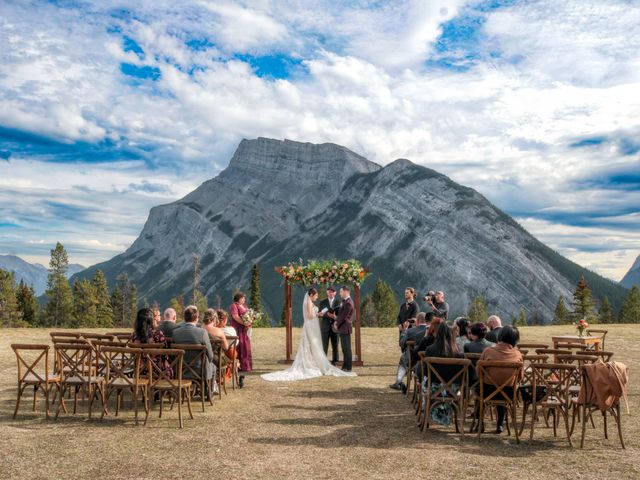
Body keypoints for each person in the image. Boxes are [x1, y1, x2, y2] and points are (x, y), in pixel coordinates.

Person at [262, 288, 357, 381]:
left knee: (313, 345)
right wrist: (318, 314)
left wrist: (324, 315)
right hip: (310, 326)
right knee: (310, 345)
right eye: (316, 295)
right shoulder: (308, 303)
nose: (316, 297)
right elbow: (310, 316)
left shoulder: (312, 302)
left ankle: (313, 362)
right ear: (311, 295)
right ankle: (309, 363)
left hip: (314, 326)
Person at [477, 325, 523, 434]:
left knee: (481, 388)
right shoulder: (517, 354)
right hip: (509, 393)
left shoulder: (488, 351)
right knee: (502, 386)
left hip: (487, 392)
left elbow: (479, 373)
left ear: (500, 336)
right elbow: (520, 378)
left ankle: (480, 423)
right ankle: (500, 424)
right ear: (515, 339)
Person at [420, 322, 464, 426]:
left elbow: (426, 372)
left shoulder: (430, 350)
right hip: (452, 391)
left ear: (437, 334)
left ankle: (428, 413)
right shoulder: (459, 354)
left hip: (434, 388)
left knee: (424, 384)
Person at [172, 306, 216, 393]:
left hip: (181, 369)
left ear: (184, 318)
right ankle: (208, 392)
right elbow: (210, 356)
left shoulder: (175, 332)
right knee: (213, 367)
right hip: (199, 369)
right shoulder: (202, 332)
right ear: (196, 318)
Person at [390, 312, 427, 392]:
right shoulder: (429, 330)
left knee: (402, 360)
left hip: (412, 358)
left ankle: (398, 382)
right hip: (426, 359)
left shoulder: (410, 331)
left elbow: (401, 343)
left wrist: (405, 330)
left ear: (418, 320)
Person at [129, 307, 172, 377]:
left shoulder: (134, 336)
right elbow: (165, 352)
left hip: (140, 372)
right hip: (160, 372)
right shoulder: (158, 334)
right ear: (151, 321)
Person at [230, 292, 252, 387]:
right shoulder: (234, 306)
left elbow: (249, 315)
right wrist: (244, 323)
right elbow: (235, 317)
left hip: (245, 329)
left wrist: (250, 321)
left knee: (246, 346)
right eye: (242, 298)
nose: (244, 299)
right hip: (238, 329)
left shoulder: (244, 306)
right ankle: (238, 366)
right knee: (239, 346)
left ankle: (246, 365)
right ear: (238, 298)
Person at [318, 286, 340, 365]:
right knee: (324, 345)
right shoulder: (322, 302)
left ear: (335, 293)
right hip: (325, 327)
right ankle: (323, 361)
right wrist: (328, 315)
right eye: (329, 291)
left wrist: (334, 316)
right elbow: (320, 314)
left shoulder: (338, 302)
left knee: (335, 345)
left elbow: (340, 313)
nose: (330, 293)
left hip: (335, 326)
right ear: (327, 292)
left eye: (332, 291)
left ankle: (335, 361)